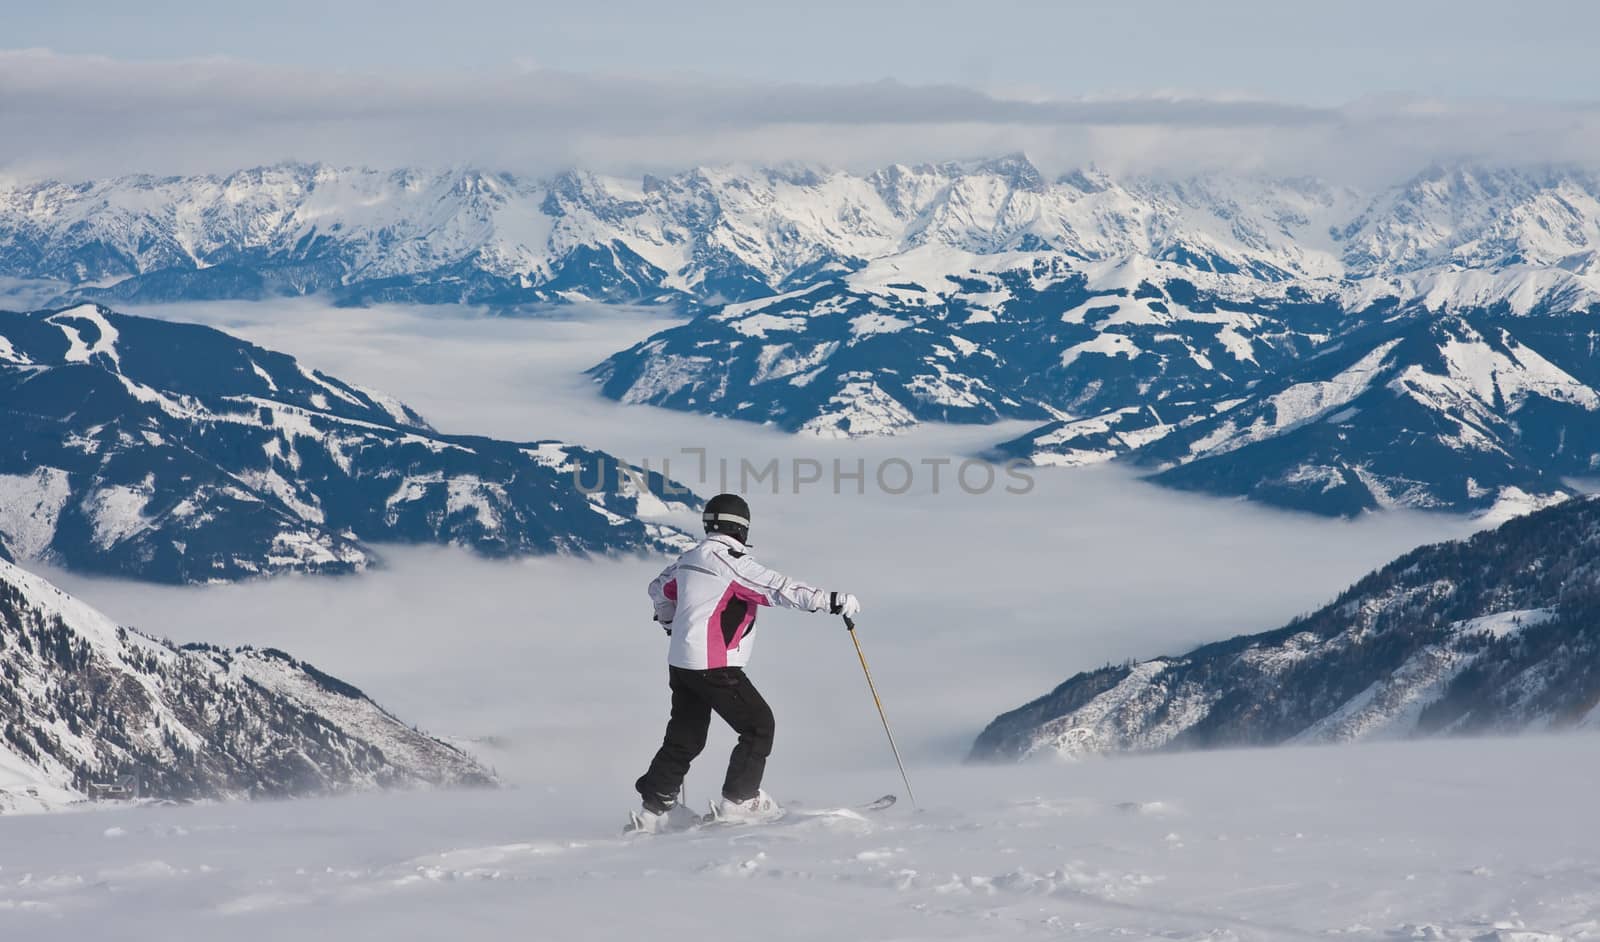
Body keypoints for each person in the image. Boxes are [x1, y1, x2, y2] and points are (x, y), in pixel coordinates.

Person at [628, 493, 861, 833]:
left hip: (681, 663)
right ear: (742, 528)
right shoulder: (732, 563)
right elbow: (778, 588)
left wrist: (669, 623)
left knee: (686, 737)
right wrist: (832, 601)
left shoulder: (689, 558)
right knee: (758, 725)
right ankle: (740, 801)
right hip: (714, 665)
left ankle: (654, 811)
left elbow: (658, 589)